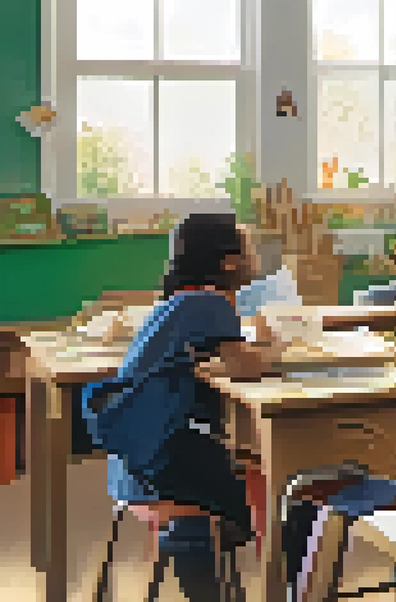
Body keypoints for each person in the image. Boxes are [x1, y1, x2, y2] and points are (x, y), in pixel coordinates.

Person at [81, 214, 283, 601]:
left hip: (132, 457)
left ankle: (203, 561)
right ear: (229, 262)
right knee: (264, 495)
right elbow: (245, 367)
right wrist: (274, 350)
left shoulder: (181, 300)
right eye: (249, 248)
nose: (255, 255)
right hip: (160, 461)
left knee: (231, 475)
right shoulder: (209, 302)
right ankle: (223, 576)